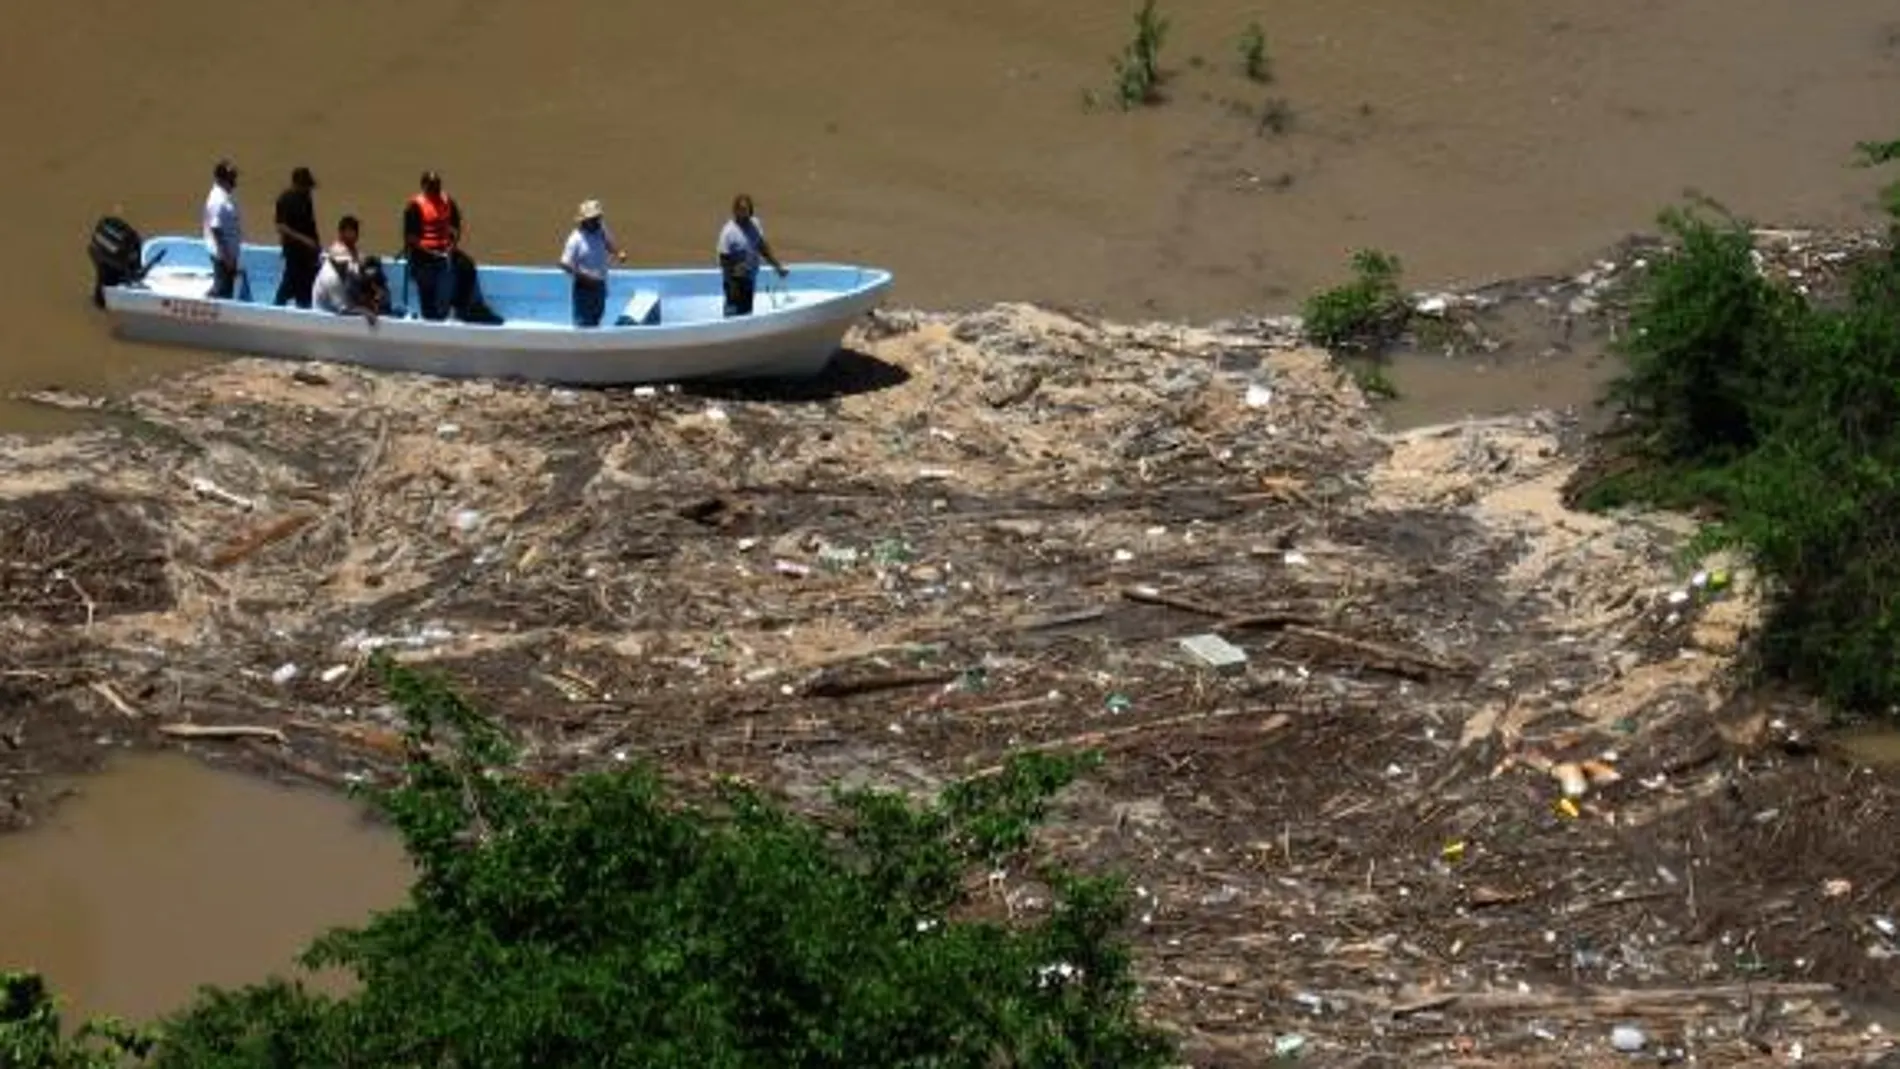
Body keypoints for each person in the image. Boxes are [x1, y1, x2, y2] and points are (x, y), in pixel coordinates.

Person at [402, 170, 461, 320]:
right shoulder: (414, 206)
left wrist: (452, 247)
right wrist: (433, 253)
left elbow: (455, 227)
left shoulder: (448, 201)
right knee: (427, 279)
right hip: (422, 254)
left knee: (467, 267)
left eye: (437, 186)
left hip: (446, 250)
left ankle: (462, 307)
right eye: (431, 187)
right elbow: (411, 239)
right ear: (423, 186)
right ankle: (430, 316)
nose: (435, 190)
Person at [716, 194, 787, 317]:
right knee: (732, 313)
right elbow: (723, 260)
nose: (744, 213)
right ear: (735, 210)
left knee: (747, 313)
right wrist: (733, 279)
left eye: (746, 210)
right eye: (741, 210)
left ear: (750, 210)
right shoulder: (728, 232)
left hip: (750, 277)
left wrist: (777, 266)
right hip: (735, 281)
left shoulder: (755, 224)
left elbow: (762, 247)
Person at [558, 199, 626, 327]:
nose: (597, 221)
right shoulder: (575, 239)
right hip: (584, 289)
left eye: (598, 217)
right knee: (583, 324)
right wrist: (586, 278)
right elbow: (564, 264)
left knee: (597, 317)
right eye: (594, 219)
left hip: (600, 284)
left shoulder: (601, 229)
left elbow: (608, 243)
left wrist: (617, 253)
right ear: (585, 221)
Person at [273, 166, 322, 307]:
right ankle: (276, 309)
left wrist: (316, 243)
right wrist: (304, 240)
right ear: (297, 184)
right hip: (293, 252)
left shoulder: (306, 198)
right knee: (289, 282)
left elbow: (311, 223)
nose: (308, 189)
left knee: (306, 285)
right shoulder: (285, 199)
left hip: (308, 253)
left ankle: (303, 310)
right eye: (306, 185)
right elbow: (280, 226)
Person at [313, 215, 376, 323]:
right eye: (342, 263)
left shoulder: (350, 254)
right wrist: (365, 312)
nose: (345, 265)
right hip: (326, 317)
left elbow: (358, 269)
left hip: (342, 301)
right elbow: (344, 311)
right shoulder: (332, 278)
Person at [202, 159, 243, 299]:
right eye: (231, 178)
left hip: (228, 253)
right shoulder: (218, 200)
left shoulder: (225, 195)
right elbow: (216, 230)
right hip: (222, 256)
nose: (234, 181)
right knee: (223, 291)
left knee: (225, 288)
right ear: (221, 179)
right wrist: (228, 258)